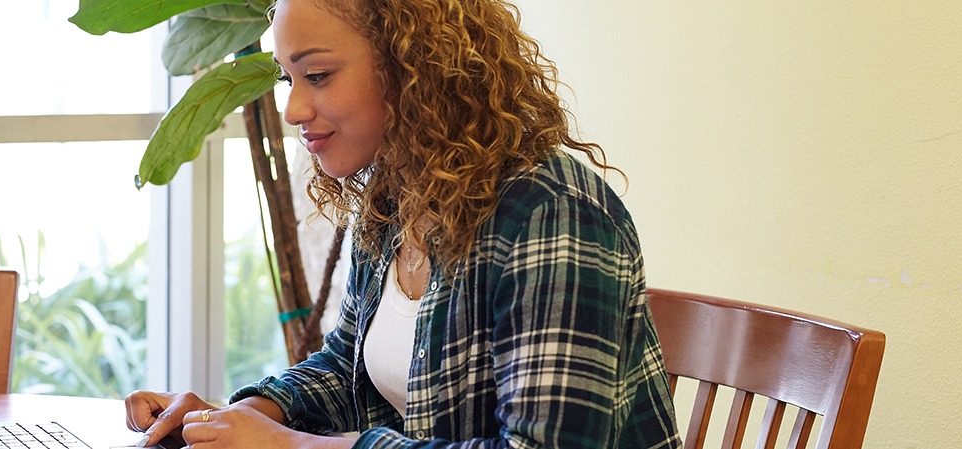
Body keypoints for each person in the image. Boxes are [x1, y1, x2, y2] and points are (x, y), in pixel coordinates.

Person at [124, 0, 682, 447]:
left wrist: (291, 445)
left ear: (414, 68)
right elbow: (347, 367)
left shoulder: (551, 214)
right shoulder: (397, 197)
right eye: (288, 78)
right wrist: (237, 417)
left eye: (316, 75)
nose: (292, 109)